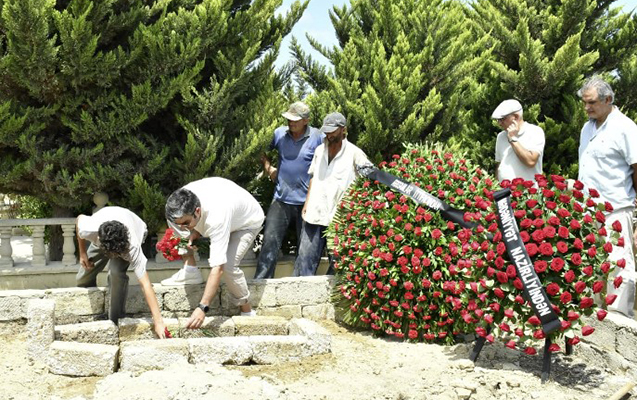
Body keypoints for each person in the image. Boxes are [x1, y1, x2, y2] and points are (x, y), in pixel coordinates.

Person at [161, 177, 264, 327]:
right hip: (225, 210)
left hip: (246, 222)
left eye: (186, 223)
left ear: (197, 211)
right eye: (179, 224)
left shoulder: (217, 217)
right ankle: (190, 270)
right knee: (184, 231)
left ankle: (247, 310)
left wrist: (202, 307)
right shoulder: (178, 203)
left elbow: (218, 268)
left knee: (228, 266)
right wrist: (193, 231)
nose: (182, 228)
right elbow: (181, 226)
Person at [577, 76, 637, 318]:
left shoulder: (626, 128)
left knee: (618, 267)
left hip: (616, 209)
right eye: (584, 103)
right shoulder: (587, 128)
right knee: (589, 267)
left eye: (591, 102)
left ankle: (619, 320)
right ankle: (591, 319)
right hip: (588, 209)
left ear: (608, 99)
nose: (587, 108)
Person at [294, 112, 369, 276]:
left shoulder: (355, 154)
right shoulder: (319, 151)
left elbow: (368, 181)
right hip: (314, 213)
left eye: (333, 131)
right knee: (305, 260)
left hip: (339, 218)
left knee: (338, 262)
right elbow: (313, 178)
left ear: (343, 130)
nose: (329, 134)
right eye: (326, 131)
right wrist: (306, 203)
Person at [254, 102, 323, 279]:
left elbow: (330, 159)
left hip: (308, 203)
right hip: (281, 199)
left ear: (306, 120)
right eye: (289, 119)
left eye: (295, 120)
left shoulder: (317, 137)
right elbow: (260, 149)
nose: (291, 123)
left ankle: (302, 287)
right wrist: (269, 168)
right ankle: (260, 283)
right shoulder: (279, 133)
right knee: (269, 243)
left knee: (307, 251)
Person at [76, 206, 167, 338]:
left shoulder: (132, 247)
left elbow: (145, 284)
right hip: (105, 235)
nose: (115, 256)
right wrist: (82, 253)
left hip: (133, 231)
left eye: (117, 253)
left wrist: (158, 322)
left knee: (115, 272)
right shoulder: (89, 229)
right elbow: (79, 219)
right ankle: (94, 310)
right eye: (112, 253)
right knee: (82, 278)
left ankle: (116, 320)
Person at [492, 99, 546, 182]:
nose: (499, 123)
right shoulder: (501, 136)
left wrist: (512, 138)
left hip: (526, 189)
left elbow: (531, 161)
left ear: (516, 117)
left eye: (502, 119)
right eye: (498, 120)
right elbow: (499, 165)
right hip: (504, 189)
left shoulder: (535, 132)